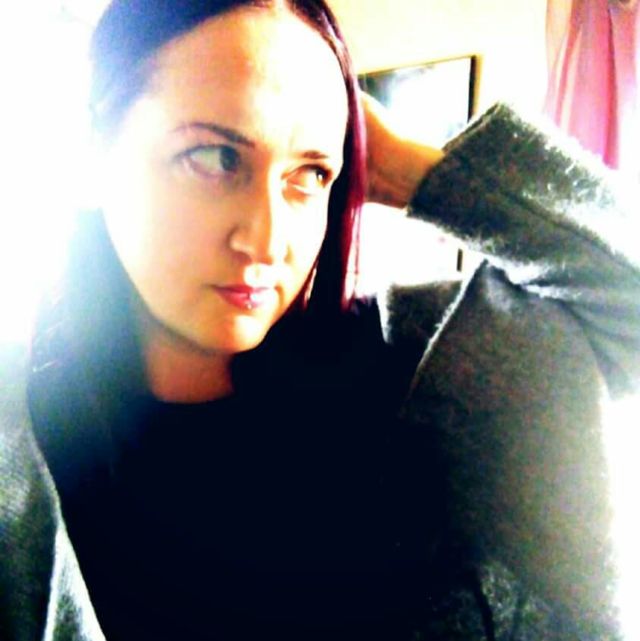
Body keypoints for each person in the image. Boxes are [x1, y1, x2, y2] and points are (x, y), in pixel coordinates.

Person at [0, 0, 638, 639]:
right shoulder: (22, 445)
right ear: (93, 152)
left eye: (310, 173)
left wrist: (415, 171)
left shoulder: (425, 362)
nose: (267, 240)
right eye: (216, 158)